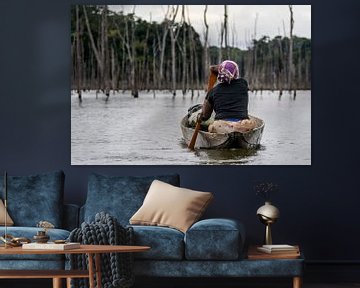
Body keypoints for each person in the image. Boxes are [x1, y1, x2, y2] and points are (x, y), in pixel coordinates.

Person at [199, 60, 256, 133]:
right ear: (235, 73)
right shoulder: (243, 84)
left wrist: (201, 115)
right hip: (242, 126)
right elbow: (216, 68)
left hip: (221, 127)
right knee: (251, 123)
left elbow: (205, 116)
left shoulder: (213, 91)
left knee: (211, 127)